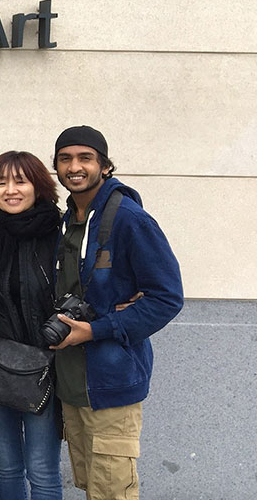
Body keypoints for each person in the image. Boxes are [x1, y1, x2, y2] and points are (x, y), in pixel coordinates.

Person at [50, 126, 182, 500]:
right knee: (94, 486)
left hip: (112, 380)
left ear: (105, 166)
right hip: (75, 383)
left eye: (85, 158)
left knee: (113, 493)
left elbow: (167, 297)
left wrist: (96, 330)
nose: (75, 167)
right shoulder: (71, 220)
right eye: (65, 158)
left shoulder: (129, 219)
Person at [0, 152, 63, 500]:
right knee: (7, 466)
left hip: (45, 367)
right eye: (1, 182)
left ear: (37, 186)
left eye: (20, 181)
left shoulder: (58, 231)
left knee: (42, 471)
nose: (10, 190)